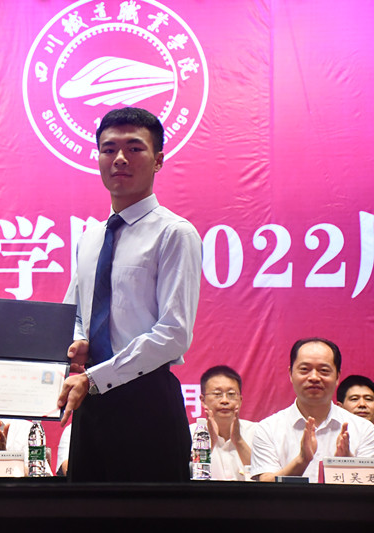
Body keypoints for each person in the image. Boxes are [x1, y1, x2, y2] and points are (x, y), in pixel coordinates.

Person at [57, 107, 201, 482]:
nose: (119, 158)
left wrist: (96, 377)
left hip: (148, 403)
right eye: (109, 149)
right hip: (90, 402)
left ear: (158, 160)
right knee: (86, 511)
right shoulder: (91, 237)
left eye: (134, 148)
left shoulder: (174, 233)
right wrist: (78, 341)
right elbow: (74, 313)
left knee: (151, 513)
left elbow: (174, 333)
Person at [251, 338, 374, 482]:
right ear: (290, 373)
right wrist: (301, 461)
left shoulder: (364, 429)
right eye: (305, 369)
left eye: (324, 370)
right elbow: (265, 482)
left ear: (337, 376)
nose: (314, 377)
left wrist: (348, 464)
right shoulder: (268, 429)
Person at [192, 365, 256, 480]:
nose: (225, 400)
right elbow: (186, 476)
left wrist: (239, 441)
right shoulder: (190, 433)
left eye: (231, 394)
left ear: (240, 400)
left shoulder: (257, 432)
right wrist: (210, 443)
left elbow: (265, 475)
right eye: (217, 394)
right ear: (203, 400)